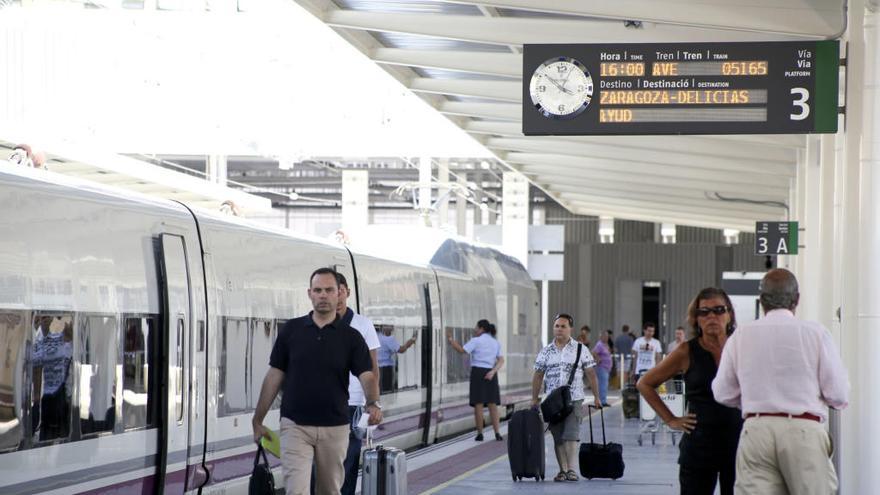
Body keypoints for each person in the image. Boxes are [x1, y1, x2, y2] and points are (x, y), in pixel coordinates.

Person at [712, 269, 849, 495]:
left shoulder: (741, 336)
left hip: (756, 430)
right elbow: (838, 393)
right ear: (796, 300)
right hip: (804, 430)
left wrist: (752, 398)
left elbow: (722, 392)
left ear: (762, 301)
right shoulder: (815, 334)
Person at [252, 267, 382, 495]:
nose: (323, 295)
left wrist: (373, 402)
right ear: (309, 293)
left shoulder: (351, 337)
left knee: (329, 490)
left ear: (339, 293)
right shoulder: (291, 331)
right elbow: (274, 375)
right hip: (295, 425)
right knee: (297, 490)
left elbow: (367, 374)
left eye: (329, 290)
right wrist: (258, 419)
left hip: (335, 427)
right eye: (318, 290)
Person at [637, 288, 743, 495]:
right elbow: (645, 383)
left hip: (739, 443)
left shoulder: (742, 345)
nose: (712, 316)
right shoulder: (686, 351)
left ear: (729, 314)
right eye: (704, 312)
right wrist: (671, 419)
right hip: (699, 445)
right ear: (696, 319)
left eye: (718, 310)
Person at [532, 313, 602, 482]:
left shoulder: (580, 349)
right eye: (557, 326)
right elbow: (538, 375)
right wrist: (534, 399)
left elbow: (591, 374)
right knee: (557, 436)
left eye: (563, 326)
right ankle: (562, 470)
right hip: (551, 401)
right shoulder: (546, 351)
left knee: (571, 434)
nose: (559, 329)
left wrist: (597, 397)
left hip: (574, 398)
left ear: (570, 328)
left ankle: (571, 469)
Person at [335, 273, 380, 495]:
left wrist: (374, 402)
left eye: (341, 290)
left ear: (347, 292)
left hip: (355, 404)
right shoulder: (319, 323)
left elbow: (373, 366)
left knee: (349, 461)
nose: (338, 295)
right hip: (326, 403)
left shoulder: (363, 325)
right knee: (321, 465)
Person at [447, 320, 504, 441]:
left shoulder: (476, 341)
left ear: (482, 329)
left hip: (478, 373)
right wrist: (493, 371)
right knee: (492, 405)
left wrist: (451, 340)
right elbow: (501, 360)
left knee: (478, 404)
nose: (475, 330)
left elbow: (462, 350)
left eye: (476, 328)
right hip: (491, 373)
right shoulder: (495, 342)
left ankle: (480, 434)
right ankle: (497, 433)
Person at [377, 325, 416, 393]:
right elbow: (401, 349)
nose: (392, 328)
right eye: (390, 326)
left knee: (380, 388)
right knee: (387, 389)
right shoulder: (388, 339)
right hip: (386, 369)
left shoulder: (377, 335)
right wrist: (411, 341)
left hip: (376, 367)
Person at [591, 330, 612, 407]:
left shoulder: (605, 344)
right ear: (601, 337)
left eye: (607, 337)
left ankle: (602, 400)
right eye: (605, 336)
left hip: (606, 368)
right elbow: (593, 352)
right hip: (602, 367)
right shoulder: (599, 344)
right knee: (603, 385)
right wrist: (598, 359)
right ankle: (602, 401)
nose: (607, 338)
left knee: (604, 385)